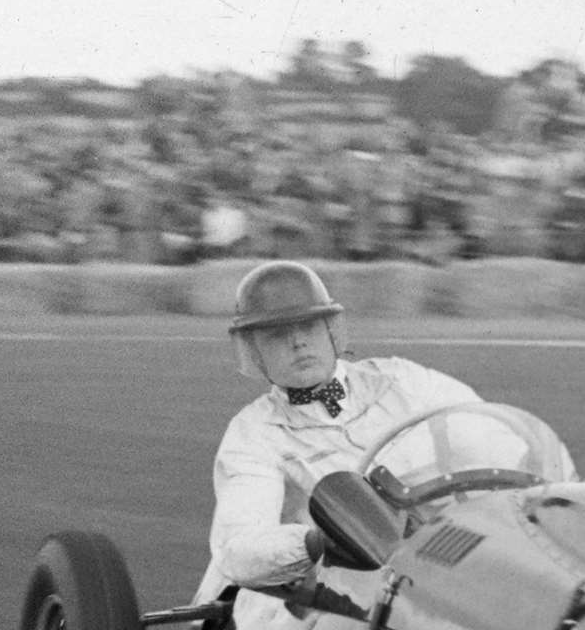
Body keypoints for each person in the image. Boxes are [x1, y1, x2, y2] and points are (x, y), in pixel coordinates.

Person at [192, 259, 484, 607]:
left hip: (447, 559)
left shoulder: (404, 381)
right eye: (277, 335)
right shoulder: (253, 435)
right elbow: (239, 547)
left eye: (309, 327)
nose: (298, 343)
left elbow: (492, 434)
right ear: (254, 353)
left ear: (331, 332)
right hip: (338, 596)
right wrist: (315, 542)